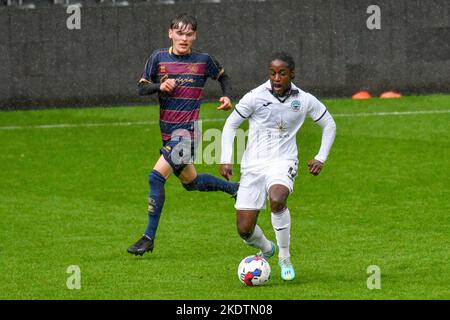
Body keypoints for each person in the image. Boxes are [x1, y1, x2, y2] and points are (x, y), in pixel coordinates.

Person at [128, 13, 239, 256]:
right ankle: (236, 189)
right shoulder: (158, 58)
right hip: (168, 134)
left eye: (189, 34)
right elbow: (141, 87)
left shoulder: (203, 60)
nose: (184, 38)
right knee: (192, 182)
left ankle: (148, 238)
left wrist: (227, 95)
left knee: (155, 178)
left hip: (187, 134)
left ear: (195, 36)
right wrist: (160, 86)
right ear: (170, 33)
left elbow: (223, 76)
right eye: (180, 33)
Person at [220, 52, 336, 280]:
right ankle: (267, 249)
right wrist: (226, 157)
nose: (276, 77)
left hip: (283, 162)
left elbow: (329, 124)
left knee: (277, 198)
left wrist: (321, 157)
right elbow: (231, 124)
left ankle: (284, 257)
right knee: (244, 230)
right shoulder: (254, 96)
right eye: (272, 73)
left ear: (292, 74)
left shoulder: (304, 100)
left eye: (282, 73)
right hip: (253, 166)